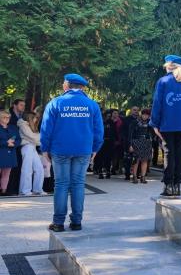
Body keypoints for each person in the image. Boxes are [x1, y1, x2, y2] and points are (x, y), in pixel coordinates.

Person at [42, 73, 103, 232]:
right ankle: (76, 222)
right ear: (81, 87)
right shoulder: (92, 105)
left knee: (61, 184)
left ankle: (58, 223)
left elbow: (46, 129)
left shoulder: (55, 103)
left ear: (67, 85)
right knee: (78, 184)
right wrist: (95, 148)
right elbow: (98, 131)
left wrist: (45, 148)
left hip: (60, 149)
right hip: (83, 150)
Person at [149, 55, 181, 197]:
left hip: (167, 123)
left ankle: (168, 185)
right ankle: (177, 186)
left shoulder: (163, 81)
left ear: (169, 66)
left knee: (169, 154)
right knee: (179, 154)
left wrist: (154, 123)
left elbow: (157, 103)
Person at [18, 112, 45, 195]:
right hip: (26, 147)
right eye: (35, 118)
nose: (36, 119)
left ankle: (38, 189)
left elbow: (36, 139)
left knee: (39, 168)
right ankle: (25, 190)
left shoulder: (32, 126)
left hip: (32, 147)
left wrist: (37, 139)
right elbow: (33, 137)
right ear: (30, 118)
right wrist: (39, 138)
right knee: (27, 169)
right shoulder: (23, 125)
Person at [128, 109, 153, 184]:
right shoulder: (135, 122)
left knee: (145, 160)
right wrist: (130, 145)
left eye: (147, 115)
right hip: (136, 142)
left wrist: (151, 142)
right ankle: (134, 177)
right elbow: (130, 134)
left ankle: (143, 177)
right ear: (141, 114)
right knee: (136, 160)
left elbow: (151, 134)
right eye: (144, 114)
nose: (145, 116)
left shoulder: (150, 123)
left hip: (146, 143)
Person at [0, 111, 21, 195]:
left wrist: (14, 144)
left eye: (8, 117)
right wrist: (6, 142)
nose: (7, 119)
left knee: (7, 173)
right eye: (4, 117)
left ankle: (3, 190)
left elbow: (19, 139)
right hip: (1, 152)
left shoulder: (13, 128)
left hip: (10, 153)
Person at [95, 111, 116, 179]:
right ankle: (100, 171)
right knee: (100, 157)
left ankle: (108, 171)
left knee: (108, 158)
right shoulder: (100, 122)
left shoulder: (111, 122)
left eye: (110, 116)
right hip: (101, 141)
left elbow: (114, 132)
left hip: (109, 142)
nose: (108, 117)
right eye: (107, 116)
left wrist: (114, 140)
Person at [122, 106, 140, 180]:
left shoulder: (140, 120)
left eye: (137, 110)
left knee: (138, 158)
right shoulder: (126, 119)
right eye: (134, 110)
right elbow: (123, 131)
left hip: (139, 142)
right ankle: (127, 174)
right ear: (131, 111)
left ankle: (136, 174)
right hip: (128, 141)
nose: (136, 111)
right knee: (128, 158)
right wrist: (125, 141)